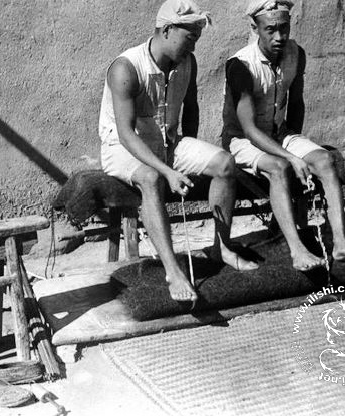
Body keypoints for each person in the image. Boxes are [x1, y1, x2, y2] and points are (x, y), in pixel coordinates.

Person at [99, 0, 259, 303]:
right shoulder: (126, 68)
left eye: (197, 38)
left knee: (225, 163)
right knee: (151, 178)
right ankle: (173, 270)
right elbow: (125, 134)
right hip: (123, 148)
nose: (193, 46)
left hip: (167, 143)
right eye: (190, 38)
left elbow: (192, 108)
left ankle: (221, 246)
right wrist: (168, 172)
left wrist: (190, 158)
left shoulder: (188, 62)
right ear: (167, 30)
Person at [221, 0, 345, 271]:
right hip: (243, 141)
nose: (279, 37)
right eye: (270, 30)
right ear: (255, 28)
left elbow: (296, 103)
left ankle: (340, 242)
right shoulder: (240, 65)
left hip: (279, 133)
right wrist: (291, 157)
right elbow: (249, 130)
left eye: (284, 28)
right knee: (279, 167)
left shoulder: (295, 53)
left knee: (325, 160)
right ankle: (297, 251)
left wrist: (300, 148)